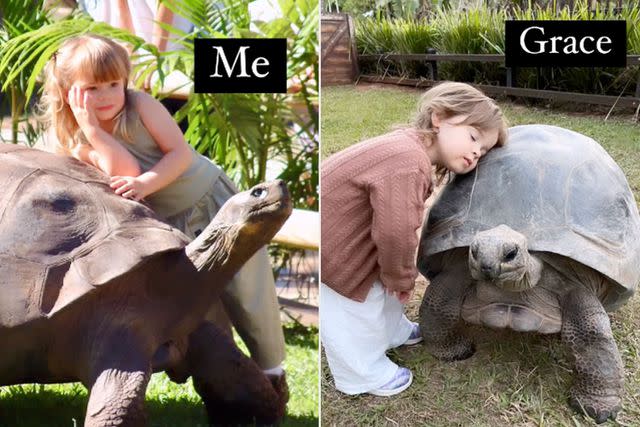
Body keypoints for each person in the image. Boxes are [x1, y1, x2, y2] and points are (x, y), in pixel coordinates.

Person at [37, 34, 289, 400]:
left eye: (114, 84)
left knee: (246, 285)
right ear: (67, 93)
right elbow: (121, 167)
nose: (107, 95)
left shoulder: (141, 106)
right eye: (92, 87)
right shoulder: (76, 138)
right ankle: (228, 378)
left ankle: (272, 369)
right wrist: (90, 129)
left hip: (207, 199)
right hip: (165, 218)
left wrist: (144, 182)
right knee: (199, 297)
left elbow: (180, 155)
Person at [320, 82, 508, 396]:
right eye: (473, 137)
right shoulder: (408, 161)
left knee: (387, 289)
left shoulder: (411, 149)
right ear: (439, 117)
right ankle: (360, 374)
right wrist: (401, 276)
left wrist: (395, 278)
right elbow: (395, 233)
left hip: (354, 237)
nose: (477, 151)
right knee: (354, 310)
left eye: (484, 150)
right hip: (335, 251)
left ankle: (393, 331)